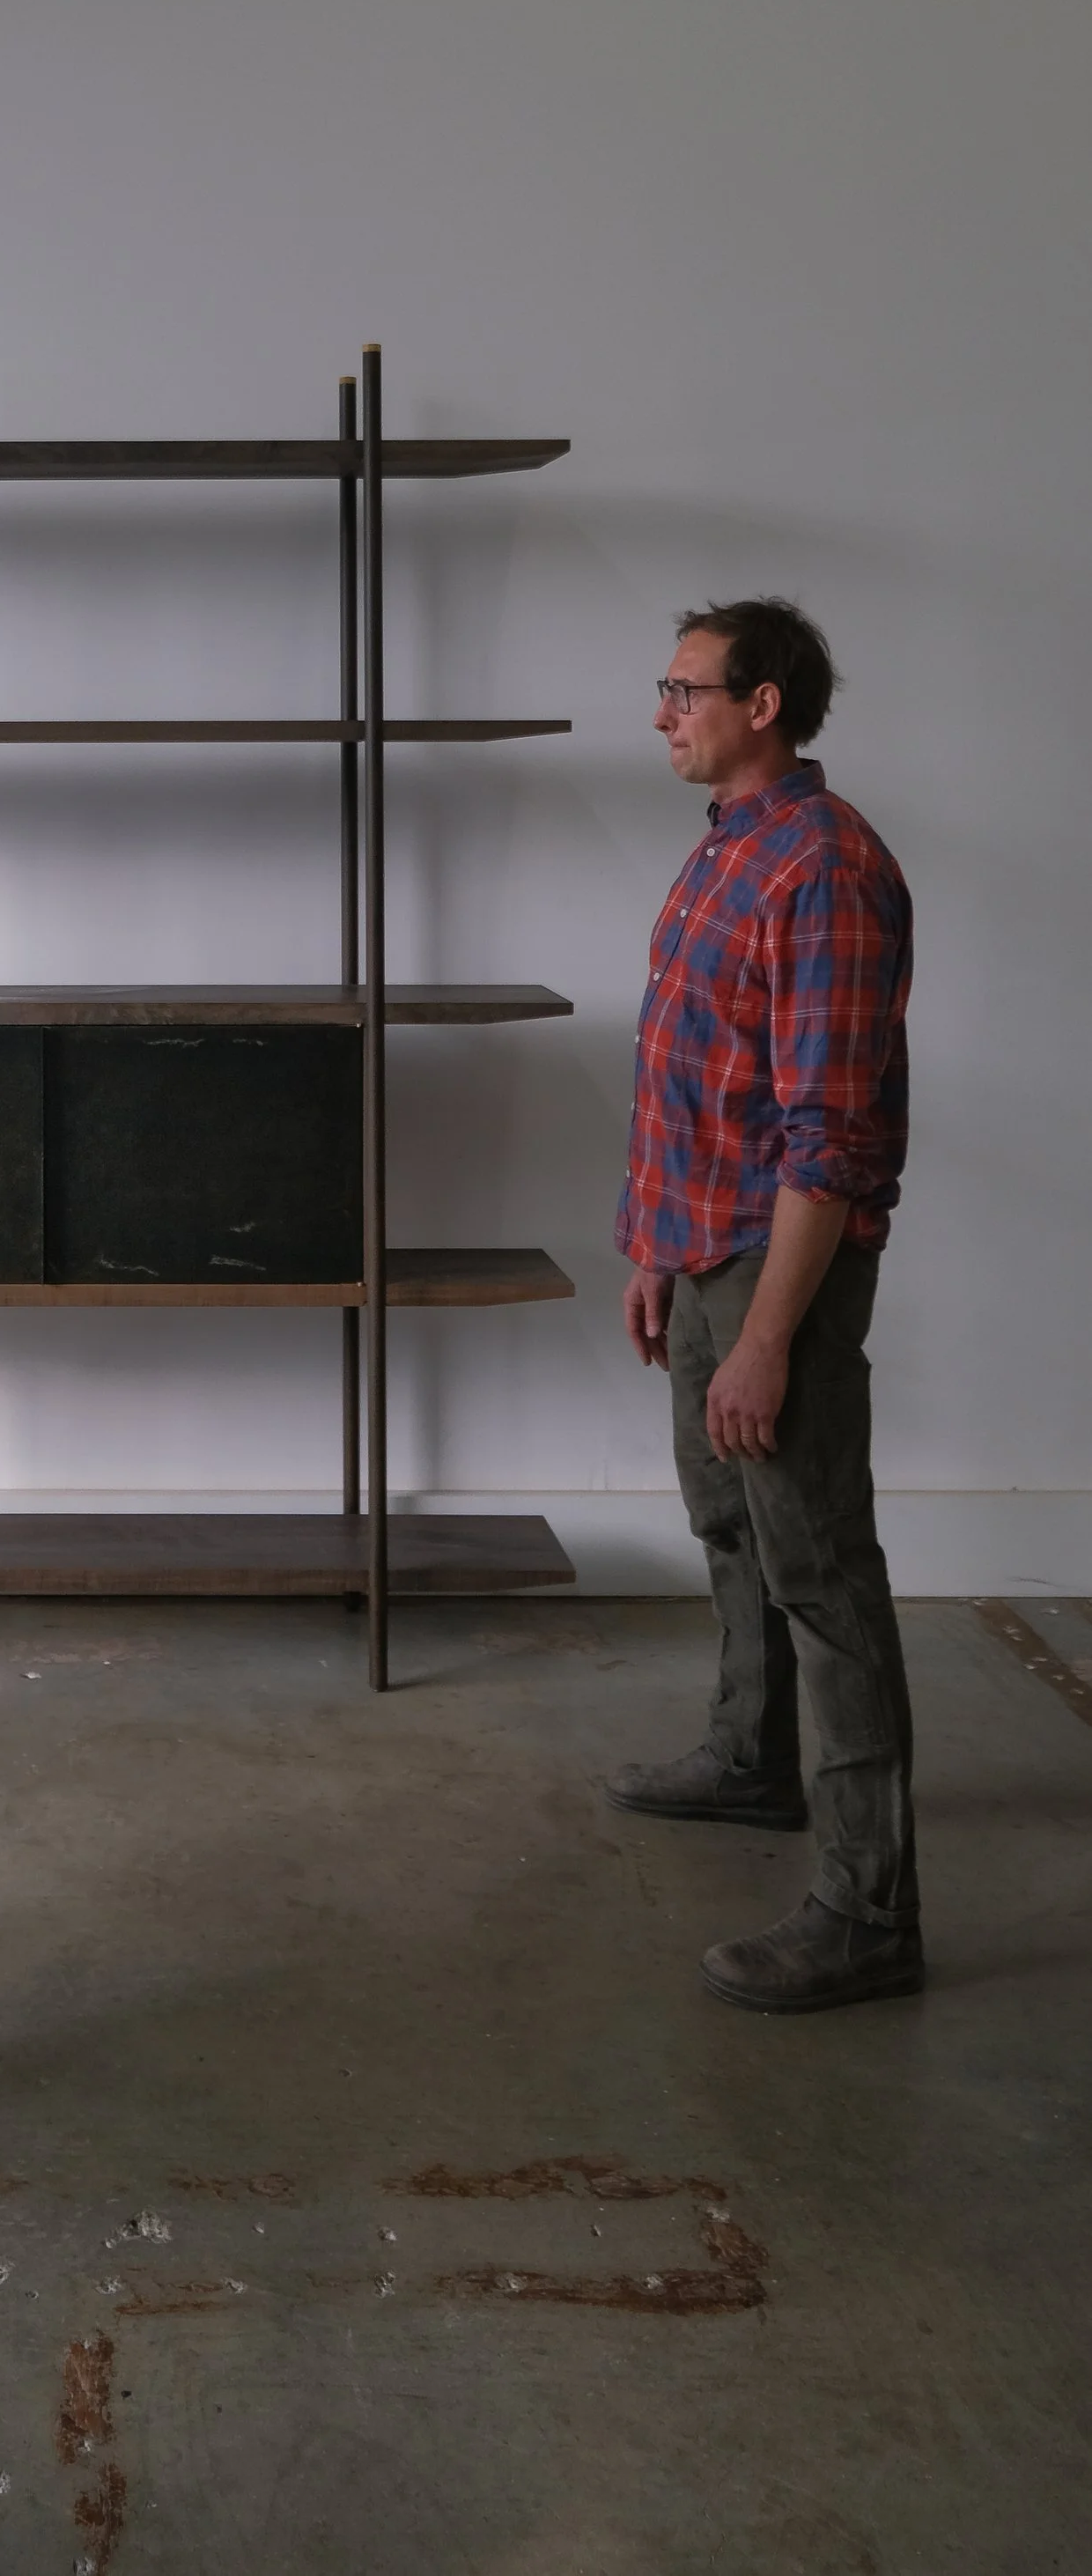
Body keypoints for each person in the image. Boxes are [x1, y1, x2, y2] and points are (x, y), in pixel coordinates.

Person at [608, 597, 919, 2014]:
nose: (665, 711)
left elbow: (827, 1138)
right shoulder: (729, 849)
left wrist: (775, 1334)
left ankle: (869, 1908)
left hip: (777, 1267)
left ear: (767, 702)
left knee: (823, 1571)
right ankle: (752, 1758)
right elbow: (696, 1075)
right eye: (665, 688)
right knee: (728, 1518)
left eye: (686, 689)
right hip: (705, 1248)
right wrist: (656, 1250)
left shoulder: (826, 872)